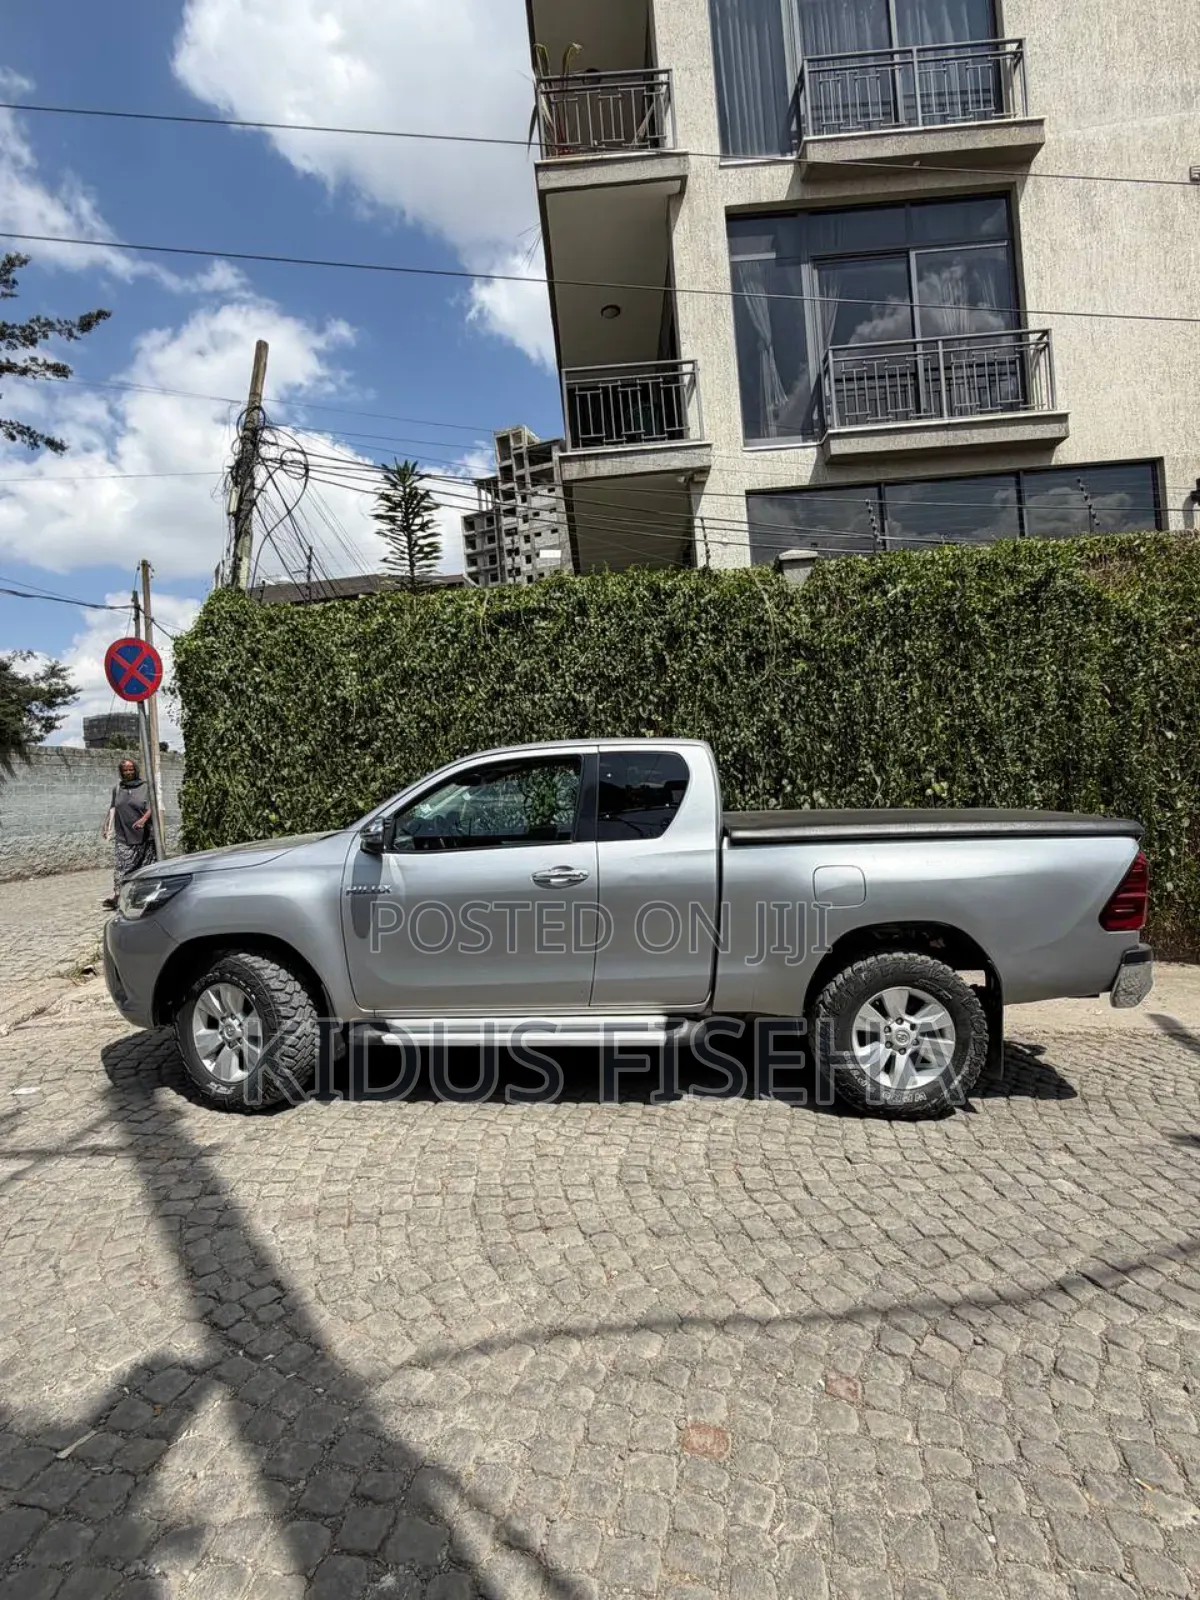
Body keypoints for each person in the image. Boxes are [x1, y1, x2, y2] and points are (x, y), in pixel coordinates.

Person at [101, 757, 155, 909]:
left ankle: (144, 897)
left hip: (144, 835)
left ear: (135, 770)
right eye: (125, 770)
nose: (128, 772)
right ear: (121, 772)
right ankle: (119, 897)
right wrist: (108, 826)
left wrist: (144, 819)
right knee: (121, 866)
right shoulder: (117, 788)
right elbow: (113, 808)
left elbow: (154, 807)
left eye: (131, 769)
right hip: (123, 834)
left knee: (145, 867)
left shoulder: (146, 787)